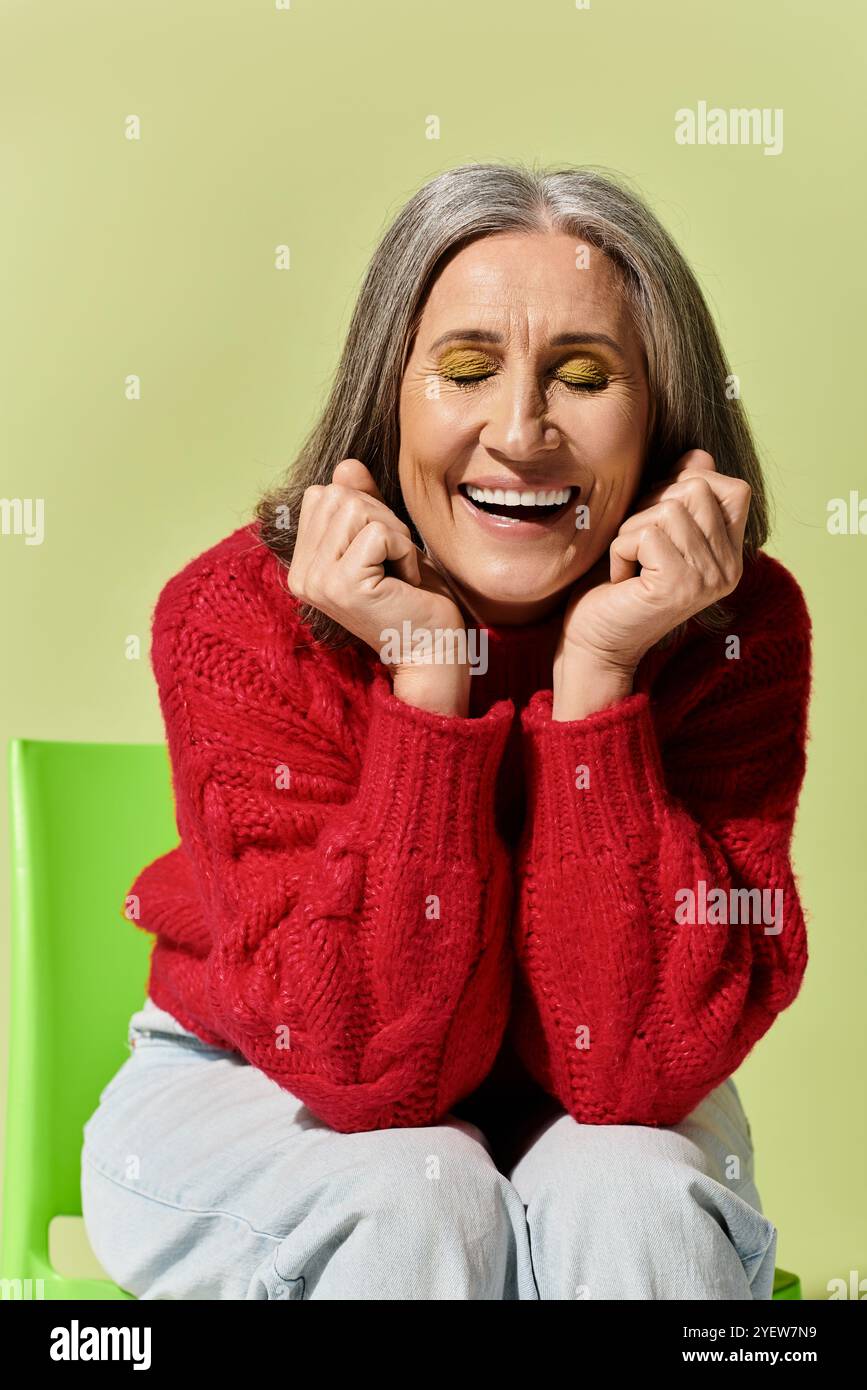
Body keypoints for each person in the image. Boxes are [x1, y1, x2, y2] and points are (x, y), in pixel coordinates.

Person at [81, 161, 811, 1300]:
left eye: (584, 376)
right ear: (390, 391)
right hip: (259, 1076)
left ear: (664, 416)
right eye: (466, 369)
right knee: (418, 1192)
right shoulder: (237, 616)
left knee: (639, 1200)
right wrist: (429, 677)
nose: (520, 432)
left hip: (596, 1101)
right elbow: (367, 1067)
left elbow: (631, 1067)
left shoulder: (732, 630)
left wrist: (600, 678)